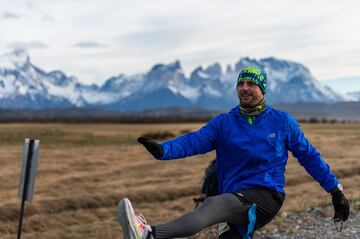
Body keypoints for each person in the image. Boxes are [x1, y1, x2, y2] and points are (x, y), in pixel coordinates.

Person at [116, 66, 350, 239]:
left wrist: (335, 190)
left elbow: (309, 156)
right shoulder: (225, 122)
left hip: (266, 196)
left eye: (251, 84)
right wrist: (164, 150)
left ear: (262, 88)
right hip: (234, 197)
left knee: (211, 207)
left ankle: (148, 234)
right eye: (241, 84)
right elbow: (195, 140)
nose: (245, 88)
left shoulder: (282, 122)